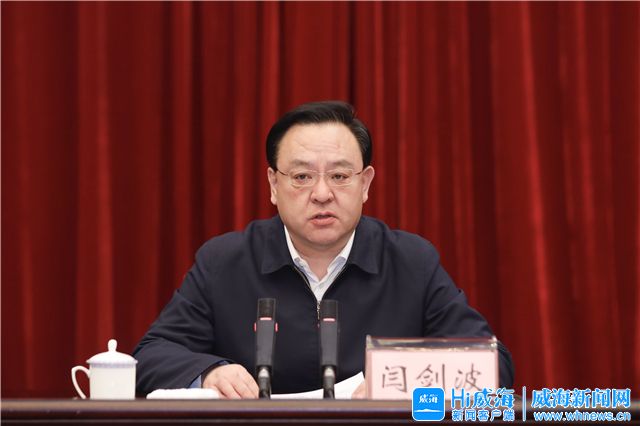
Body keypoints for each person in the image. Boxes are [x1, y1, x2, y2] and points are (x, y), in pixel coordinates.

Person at [133, 101, 514, 398]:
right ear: (273, 185)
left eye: (339, 176)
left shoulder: (410, 262)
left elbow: (493, 364)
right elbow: (151, 355)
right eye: (301, 176)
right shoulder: (225, 262)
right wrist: (210, 372)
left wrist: (401, 380)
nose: (321, 193)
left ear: (365, 184)